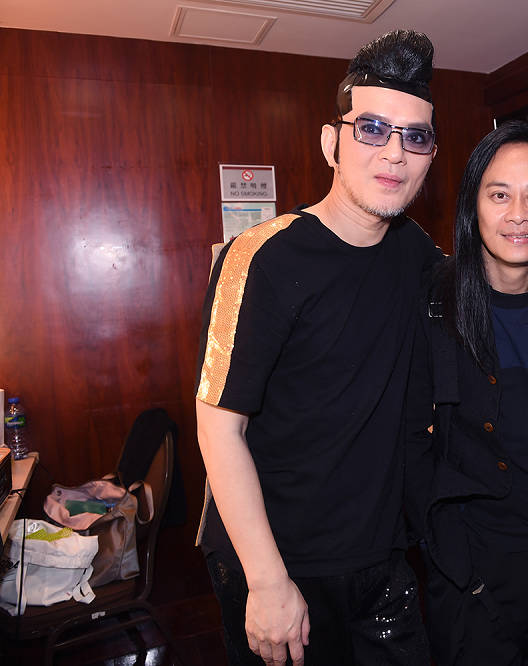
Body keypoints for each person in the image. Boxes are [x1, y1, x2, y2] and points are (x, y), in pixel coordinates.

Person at [195, 30, 442, 666]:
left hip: (382, 556)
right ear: (331, 143)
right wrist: (267, 582)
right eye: (372, 129)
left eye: (415, 137)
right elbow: (218, 426)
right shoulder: (264, 257)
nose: (394, 153)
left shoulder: (416, 253)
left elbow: (495, 285)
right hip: (279, 562)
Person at [405, 121, 528, 665]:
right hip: (473, 584)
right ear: (473, 206)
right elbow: (408, 443)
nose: (519, 214)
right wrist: (454, 564)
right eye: (499, 195)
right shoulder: (431, 302)